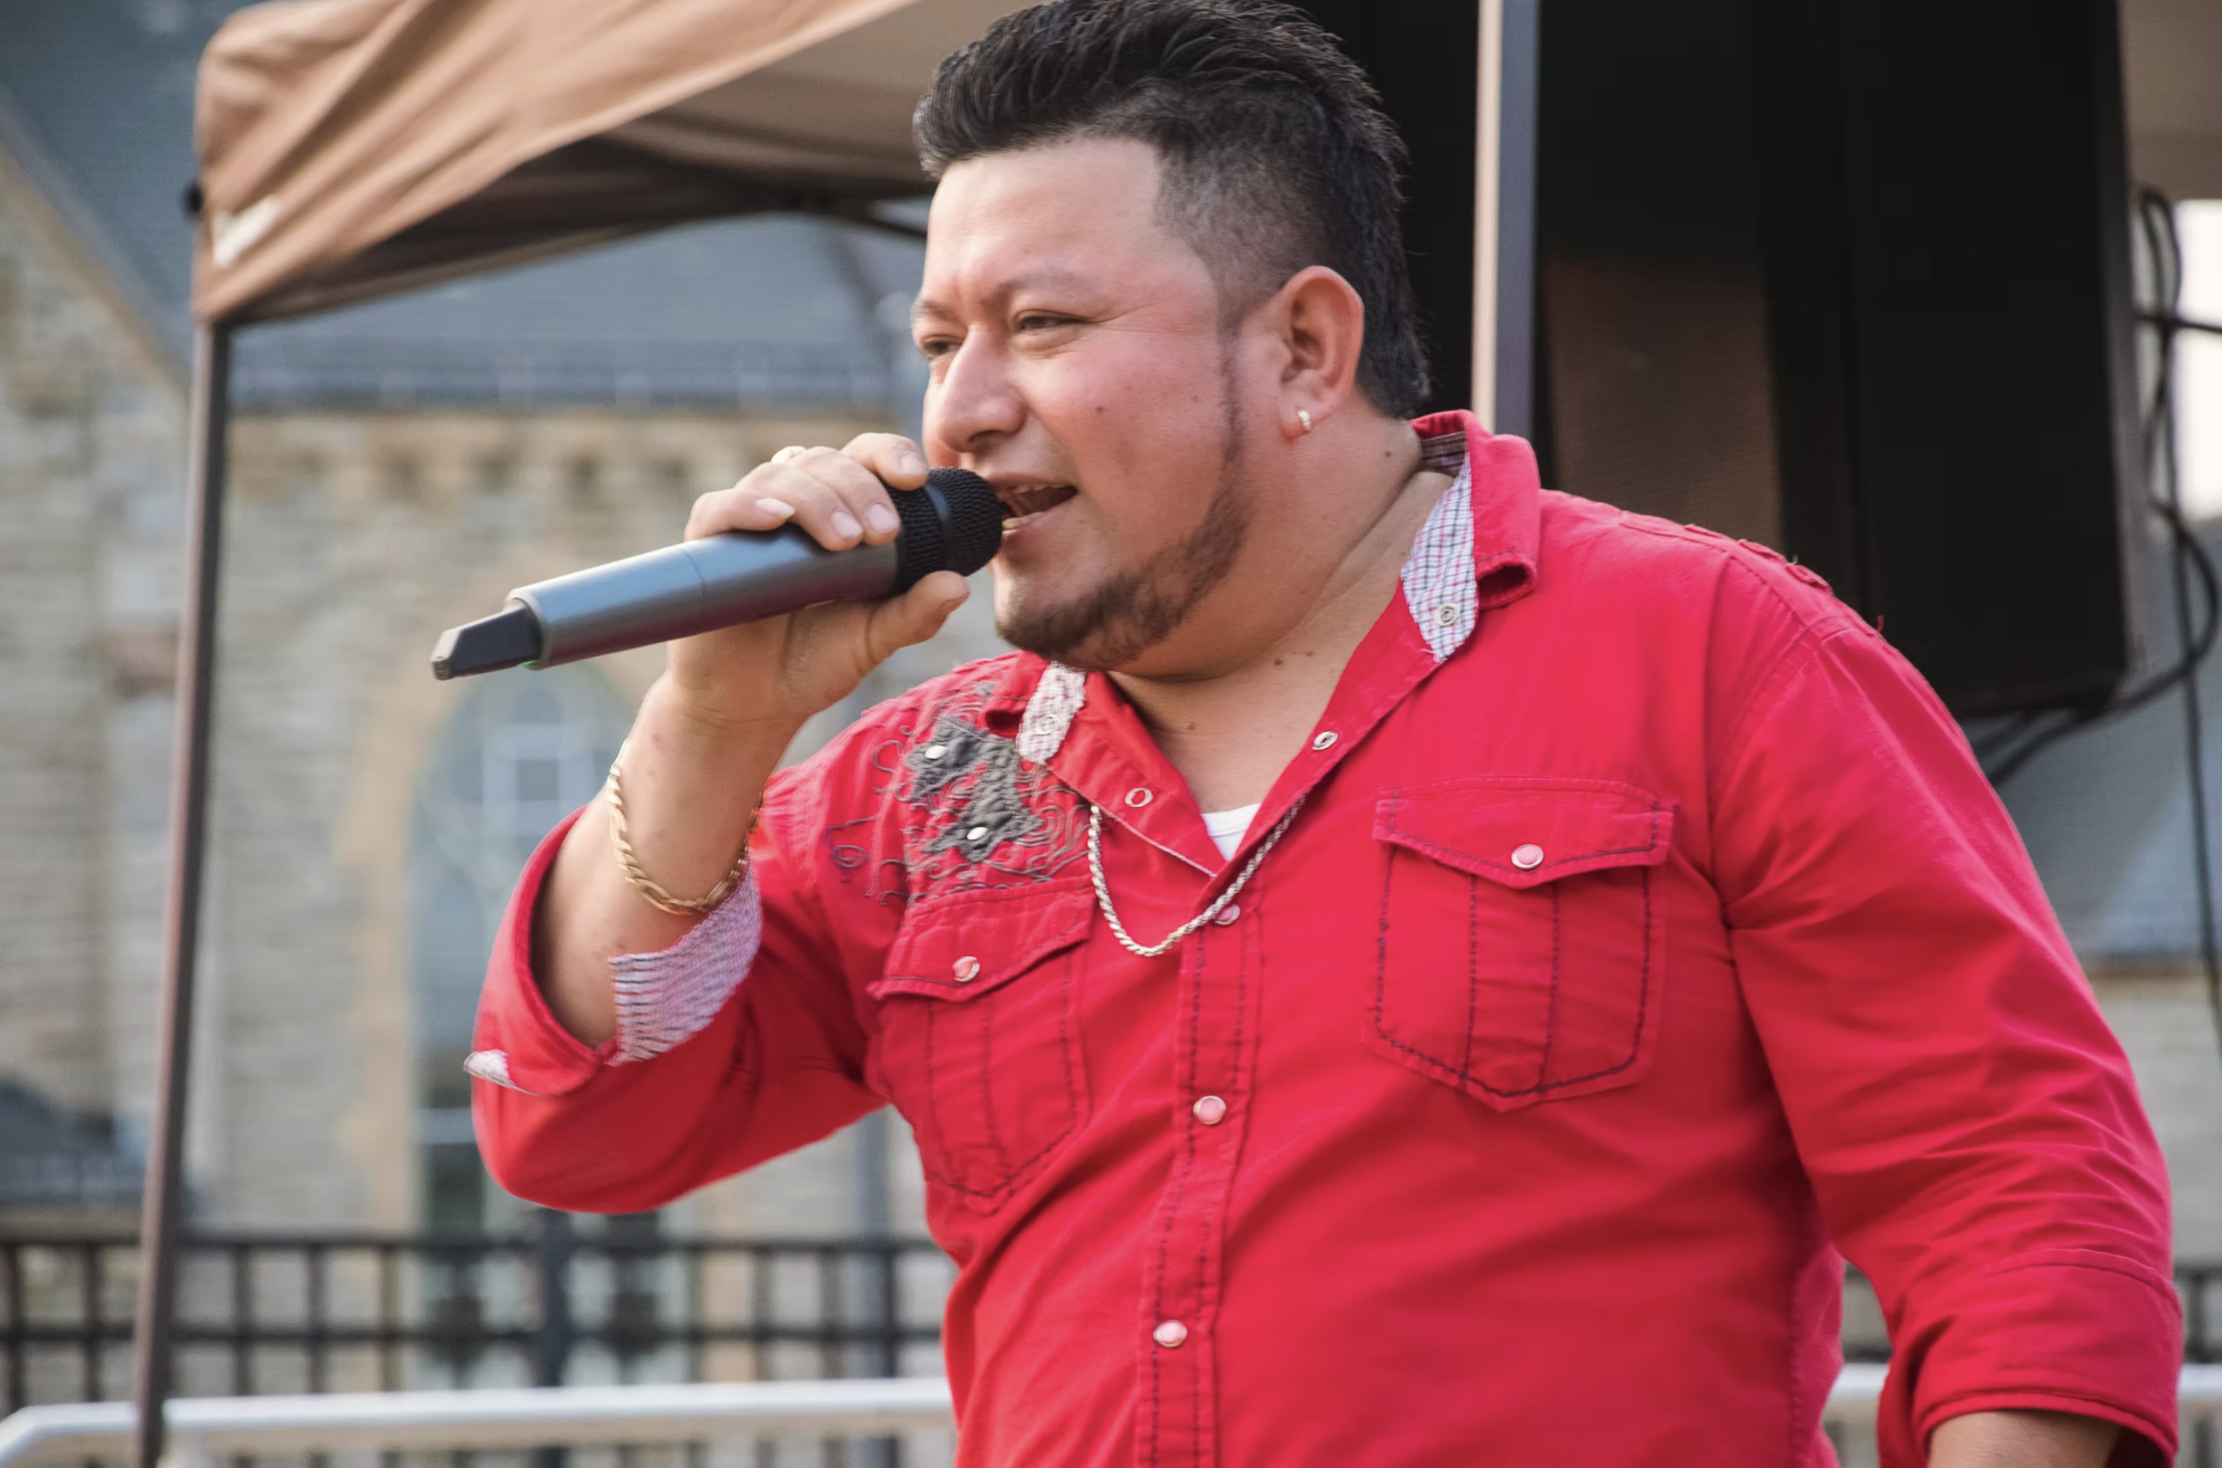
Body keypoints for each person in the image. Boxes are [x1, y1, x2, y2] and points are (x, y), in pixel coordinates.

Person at [468, 2, 2180, 1463]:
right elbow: (589, 1129)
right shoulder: (927, 774)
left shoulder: (1716, 652)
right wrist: (707, 719)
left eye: (1041, 325)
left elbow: (2016, 1201)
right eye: (939, 340)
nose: (960, 406)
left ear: (1301, 345)